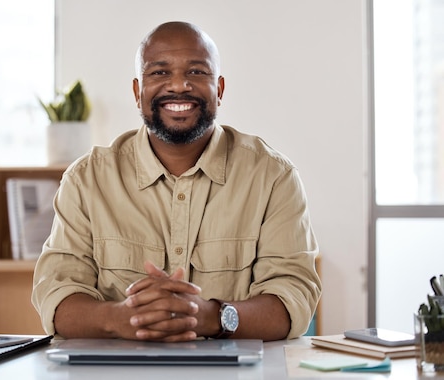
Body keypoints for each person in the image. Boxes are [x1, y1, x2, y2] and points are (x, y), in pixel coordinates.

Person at [32, 21, 321, 342]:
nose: (179, 85)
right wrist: (122, 318)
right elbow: (57, 296)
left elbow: (293, 298)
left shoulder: (272, 176)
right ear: (137, 92)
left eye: (197, 72)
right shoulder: (87, 179)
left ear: (220, 90)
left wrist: (210, 316)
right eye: (159, 73)